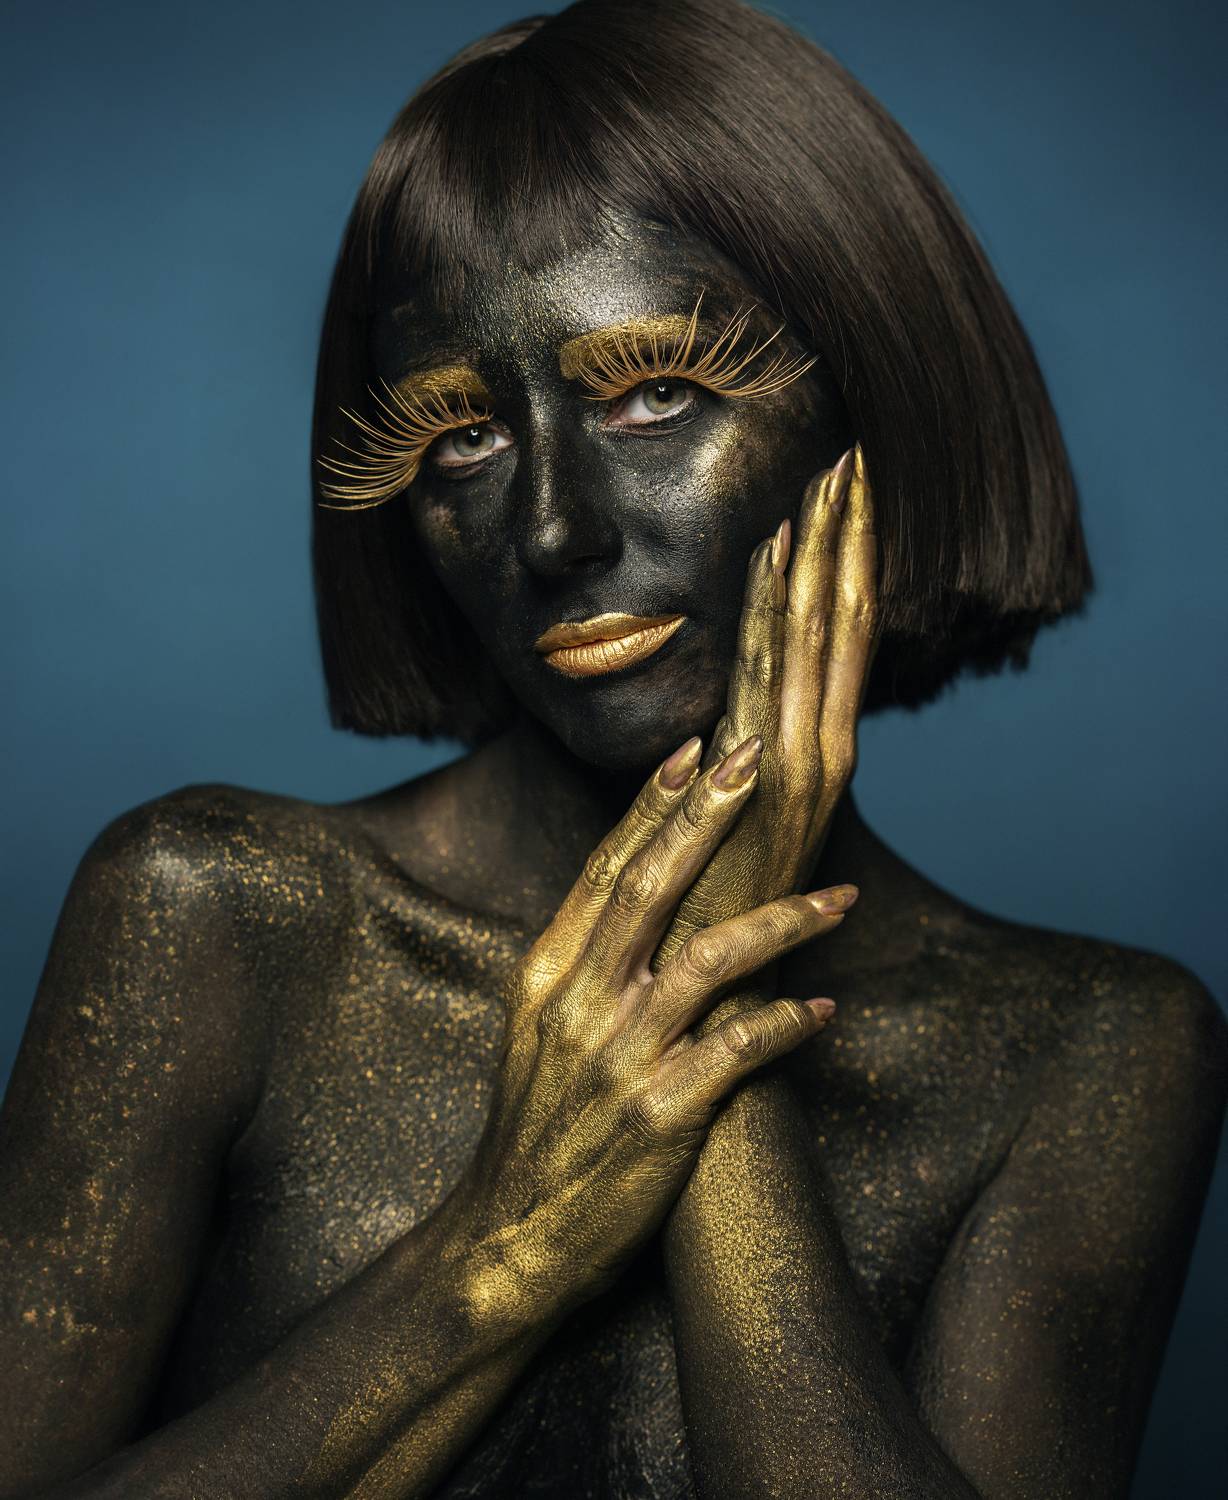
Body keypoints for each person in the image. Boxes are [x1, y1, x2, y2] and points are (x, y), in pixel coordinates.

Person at [1, 1, 1223, 1495]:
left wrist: (708, 987)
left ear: (878, 416)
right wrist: (498, 1251)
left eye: (656, 397)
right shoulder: (215, 914)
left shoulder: (1092, 1052)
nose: (553, 530)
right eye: (462, 437)